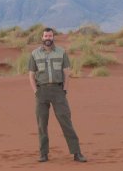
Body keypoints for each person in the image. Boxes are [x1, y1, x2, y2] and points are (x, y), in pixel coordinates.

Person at [28, 27, 87, 163]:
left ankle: (77, 153)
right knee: (42, 124)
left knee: (66, 121)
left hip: (58, 91)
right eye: (45, 36)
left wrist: (64, 90)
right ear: (42, 38)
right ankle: (43, 154)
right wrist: (36, 91)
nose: (48, 38)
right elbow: (31, 75)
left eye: (50, 36)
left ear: (53, 37)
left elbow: (67, 72)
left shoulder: (61, 52)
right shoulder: (35, 54)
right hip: (41, 92)